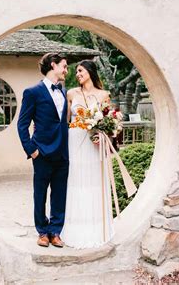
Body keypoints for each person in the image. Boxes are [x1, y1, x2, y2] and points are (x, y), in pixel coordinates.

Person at [61, 59, 115, 249]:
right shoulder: (71, 93)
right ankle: (76, 229)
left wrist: (104, 133)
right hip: (75, 140)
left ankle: (97, 228)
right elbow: (66, 120)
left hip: (93, 144)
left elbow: (110, 121)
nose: (77, 74)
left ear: (90, 72)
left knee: (94, 181)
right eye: (76, 72)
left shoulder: (104, 95)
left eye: (81, 70)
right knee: (76, 182)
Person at [17, 52, 69, 248]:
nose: (66, 70)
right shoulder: (32, 92)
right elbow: (22, 125)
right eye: (64, 66)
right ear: (53, 65)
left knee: (59, 194)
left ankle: (55, 231)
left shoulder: (64, 92)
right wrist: (32, 150)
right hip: (42, 152)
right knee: (40, 194)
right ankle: (42, 231)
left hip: (63, 153)